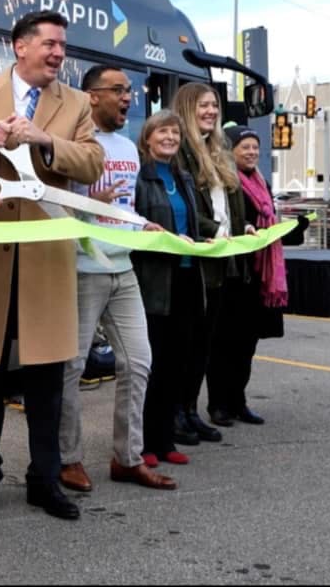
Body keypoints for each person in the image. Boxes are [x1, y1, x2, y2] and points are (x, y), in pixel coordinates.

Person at [0, 10, 103, 521]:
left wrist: (45, 141)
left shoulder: (75, 102)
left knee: (46, 382)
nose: (59, 54)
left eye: (62, 46)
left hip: (46, 259)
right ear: (20, 47)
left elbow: (93, 162)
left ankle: (44, 479)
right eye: (50, 44)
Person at [59, 65, 177, 493]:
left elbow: (125, 205)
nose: (128, 97)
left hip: (122, 268)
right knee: (71, 367)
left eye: (130, 90)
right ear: (92, 96)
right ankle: (67, 459)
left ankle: (127, 458)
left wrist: (143, 224)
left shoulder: (128, 146)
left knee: (139, 361)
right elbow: (53, 206)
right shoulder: (74, 143)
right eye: (118, 90)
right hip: (81, 269)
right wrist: (90, 203)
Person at [211, 125, 310, 426]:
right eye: (245, 147)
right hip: (232, 275)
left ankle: (238, 400)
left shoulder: (261, 183)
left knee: (247, 345)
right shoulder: (225, 183)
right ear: (230, 151)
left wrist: (295, 228)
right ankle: (218, 404)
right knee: (224, 344)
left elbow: (268, 230)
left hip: (258, 276)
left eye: (255, 147)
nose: (252, 152)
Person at [171, 83, 250, 438]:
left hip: (222, 259)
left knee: (204, 342)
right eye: (203, 105)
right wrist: (214, 230)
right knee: (184, 344)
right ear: (188, 108)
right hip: (196, 259)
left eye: (214, 106)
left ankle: (190, 409)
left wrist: (241, 224)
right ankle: (175, 413)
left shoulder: (219, 149)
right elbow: (183, 209)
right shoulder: (179, 150)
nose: (211, 112)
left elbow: (230, 201)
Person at [131, 110, 205, 467]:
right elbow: (132, 224)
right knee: (153, 364)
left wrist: (222, 235)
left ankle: (165, 440)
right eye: (163, 131)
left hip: (188, 278)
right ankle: (144, 444)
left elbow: (195, 223)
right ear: (147, 138)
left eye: (175, 132)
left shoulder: (184, 177)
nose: (170, 137)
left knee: (177, 362)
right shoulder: (139, 178)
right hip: (154, 281)